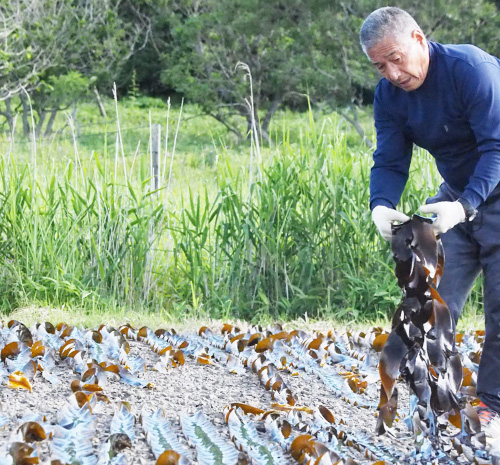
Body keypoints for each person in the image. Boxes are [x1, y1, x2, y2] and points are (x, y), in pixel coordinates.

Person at [360, 6, 500, 450]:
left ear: (419, 39)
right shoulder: (389, 95)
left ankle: (491, 409)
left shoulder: (470, 70)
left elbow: (497, 146)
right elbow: (390, 158)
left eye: (396, 58)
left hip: (485, 193)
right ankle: (435, 401)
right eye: (380, 65)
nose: (393, 73)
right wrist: (380, 206)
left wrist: (465, 206)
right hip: (458, 198)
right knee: (429, 303)